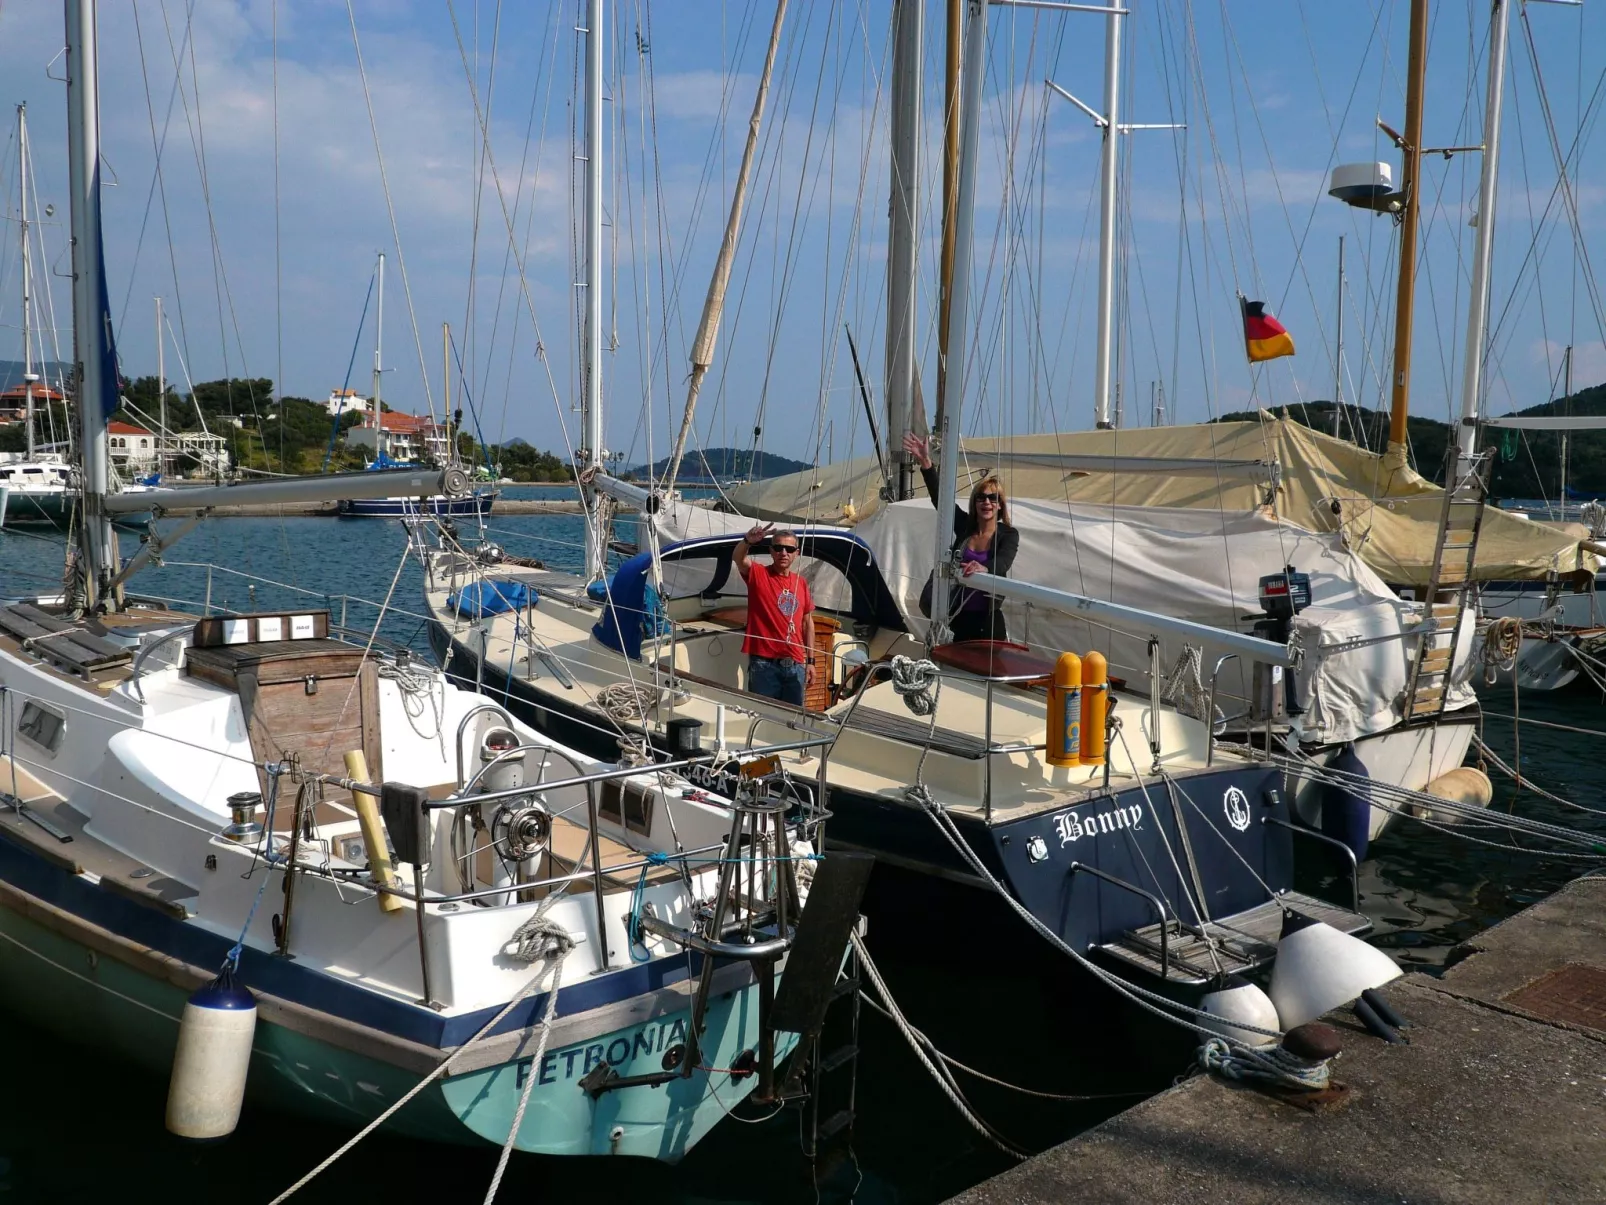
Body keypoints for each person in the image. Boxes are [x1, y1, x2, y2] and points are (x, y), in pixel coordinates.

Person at [903, 431, 1019, 642]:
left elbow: (1003, 562)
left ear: (1000, 505)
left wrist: (984, 568)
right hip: (957, 618)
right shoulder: (965, 527)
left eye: (993, 498)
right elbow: (942, 502)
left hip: (988, 622)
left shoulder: (1008, 534)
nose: (986, 502)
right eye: (981, 498)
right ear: (975, 503)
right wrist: (926, 463)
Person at [732, 524, 818, 706]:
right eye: (778, 548)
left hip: (796, 665)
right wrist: (747, 541)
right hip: (764, 666)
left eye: (789, 549)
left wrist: (811, 661)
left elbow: (807, 623)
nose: (783, 553)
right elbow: (738, 558)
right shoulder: (758, 573)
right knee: (763, 714)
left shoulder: (801, 583)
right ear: (771, 551)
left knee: (793, 717)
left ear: (797, 553)